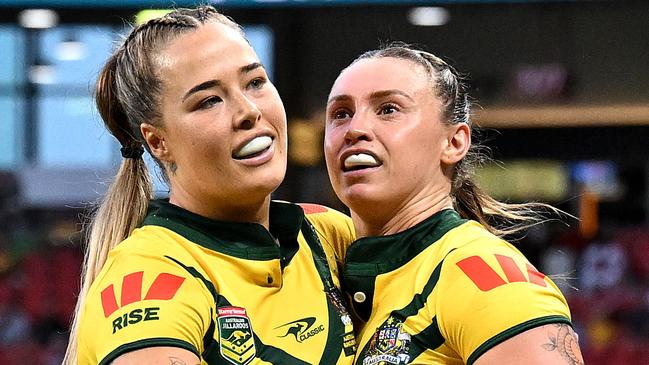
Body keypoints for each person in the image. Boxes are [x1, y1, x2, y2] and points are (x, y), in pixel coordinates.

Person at [63, 6, 357, 365]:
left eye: (255, 82)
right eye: (209, 101)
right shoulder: (146, 279)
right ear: (158, 142)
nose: (249, 110)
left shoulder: (330, 235)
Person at [323, 44, 584, 365]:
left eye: (388, 109)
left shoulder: (490, 280)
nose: (355, 129)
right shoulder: (323, 263)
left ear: (454, 142)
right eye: (341, 114)